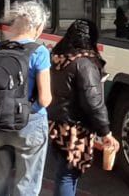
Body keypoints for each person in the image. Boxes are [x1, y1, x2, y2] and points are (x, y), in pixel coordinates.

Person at [0, 0, 52, 196]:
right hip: (29, 125)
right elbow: (45, 98)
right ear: (37, 27)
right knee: (26, 186)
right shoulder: (40, 52)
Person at [48, 19, 117, 196]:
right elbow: (93, 102)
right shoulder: (84, 64)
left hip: (55, 125)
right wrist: (106, 132)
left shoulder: (58, 58)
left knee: (63, 172)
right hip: (75, 129)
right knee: (68, 175)